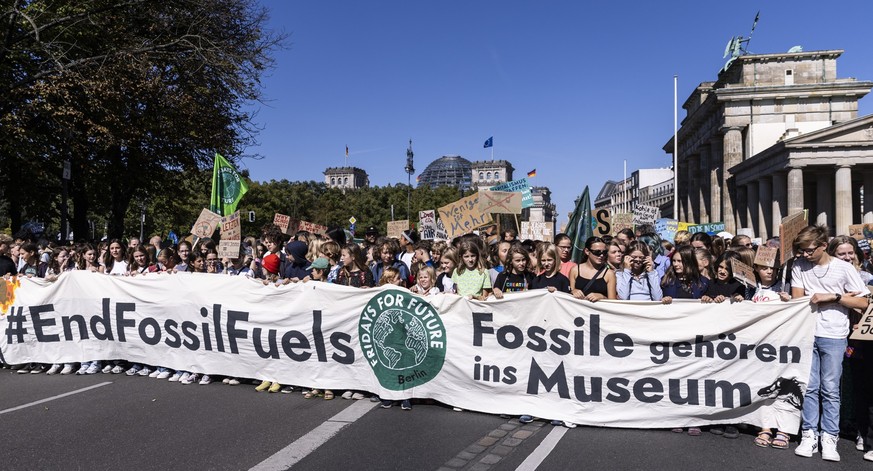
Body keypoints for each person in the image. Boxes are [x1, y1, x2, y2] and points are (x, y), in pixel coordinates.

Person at [791, 225, 869, 462]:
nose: (805, 255)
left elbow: (863, 303)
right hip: (806, 332)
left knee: (831, 388)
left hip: (834, 333)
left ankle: (829, 436)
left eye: (809, 250)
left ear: (823, 246)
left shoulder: (843, 268)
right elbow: (797, 298)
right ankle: (809, 433)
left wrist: (833, 297)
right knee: (810, 387)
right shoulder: (799, 266)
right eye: (802, 250)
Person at [569, 237, 617, 302]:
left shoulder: (609, 274)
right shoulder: (575, 270)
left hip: (599, 311)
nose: (601, 255)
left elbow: (613, 301)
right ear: (587, 251)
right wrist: (573, 291)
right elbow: (569, 294)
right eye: (597, 252)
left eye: (604, 252)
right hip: (579, 310)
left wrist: (602, 297)